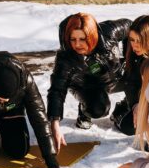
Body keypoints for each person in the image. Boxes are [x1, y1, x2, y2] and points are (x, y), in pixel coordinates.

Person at [47, 13, 131, 150]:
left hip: (115, 76)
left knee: (143, 75)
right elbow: (57, 90)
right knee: (98, 109)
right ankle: (85, 109)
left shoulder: (108, 32)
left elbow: (131, 25)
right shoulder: (65, 58)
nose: (77, 44)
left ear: (92, 35)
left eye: (82, 39)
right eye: (72, 39)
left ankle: (124, 108)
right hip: (86, 86)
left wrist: (129, 57)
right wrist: (54, 124)